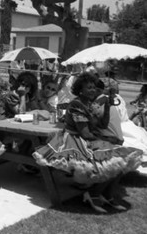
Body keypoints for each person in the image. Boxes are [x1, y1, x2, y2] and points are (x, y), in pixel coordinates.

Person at [33, 73, 142, 213]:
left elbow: (102, 125)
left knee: (120, 163)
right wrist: (106, 141)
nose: (93, 90)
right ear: (80, 90)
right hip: (76, 141)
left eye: (94, 87)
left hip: (89, 139)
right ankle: (93, 194)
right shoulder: (77, 104)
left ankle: (106, 195)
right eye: (89, 88)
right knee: (110, 161)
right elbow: (85, 133)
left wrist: (107, 107)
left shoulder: (91, 103)